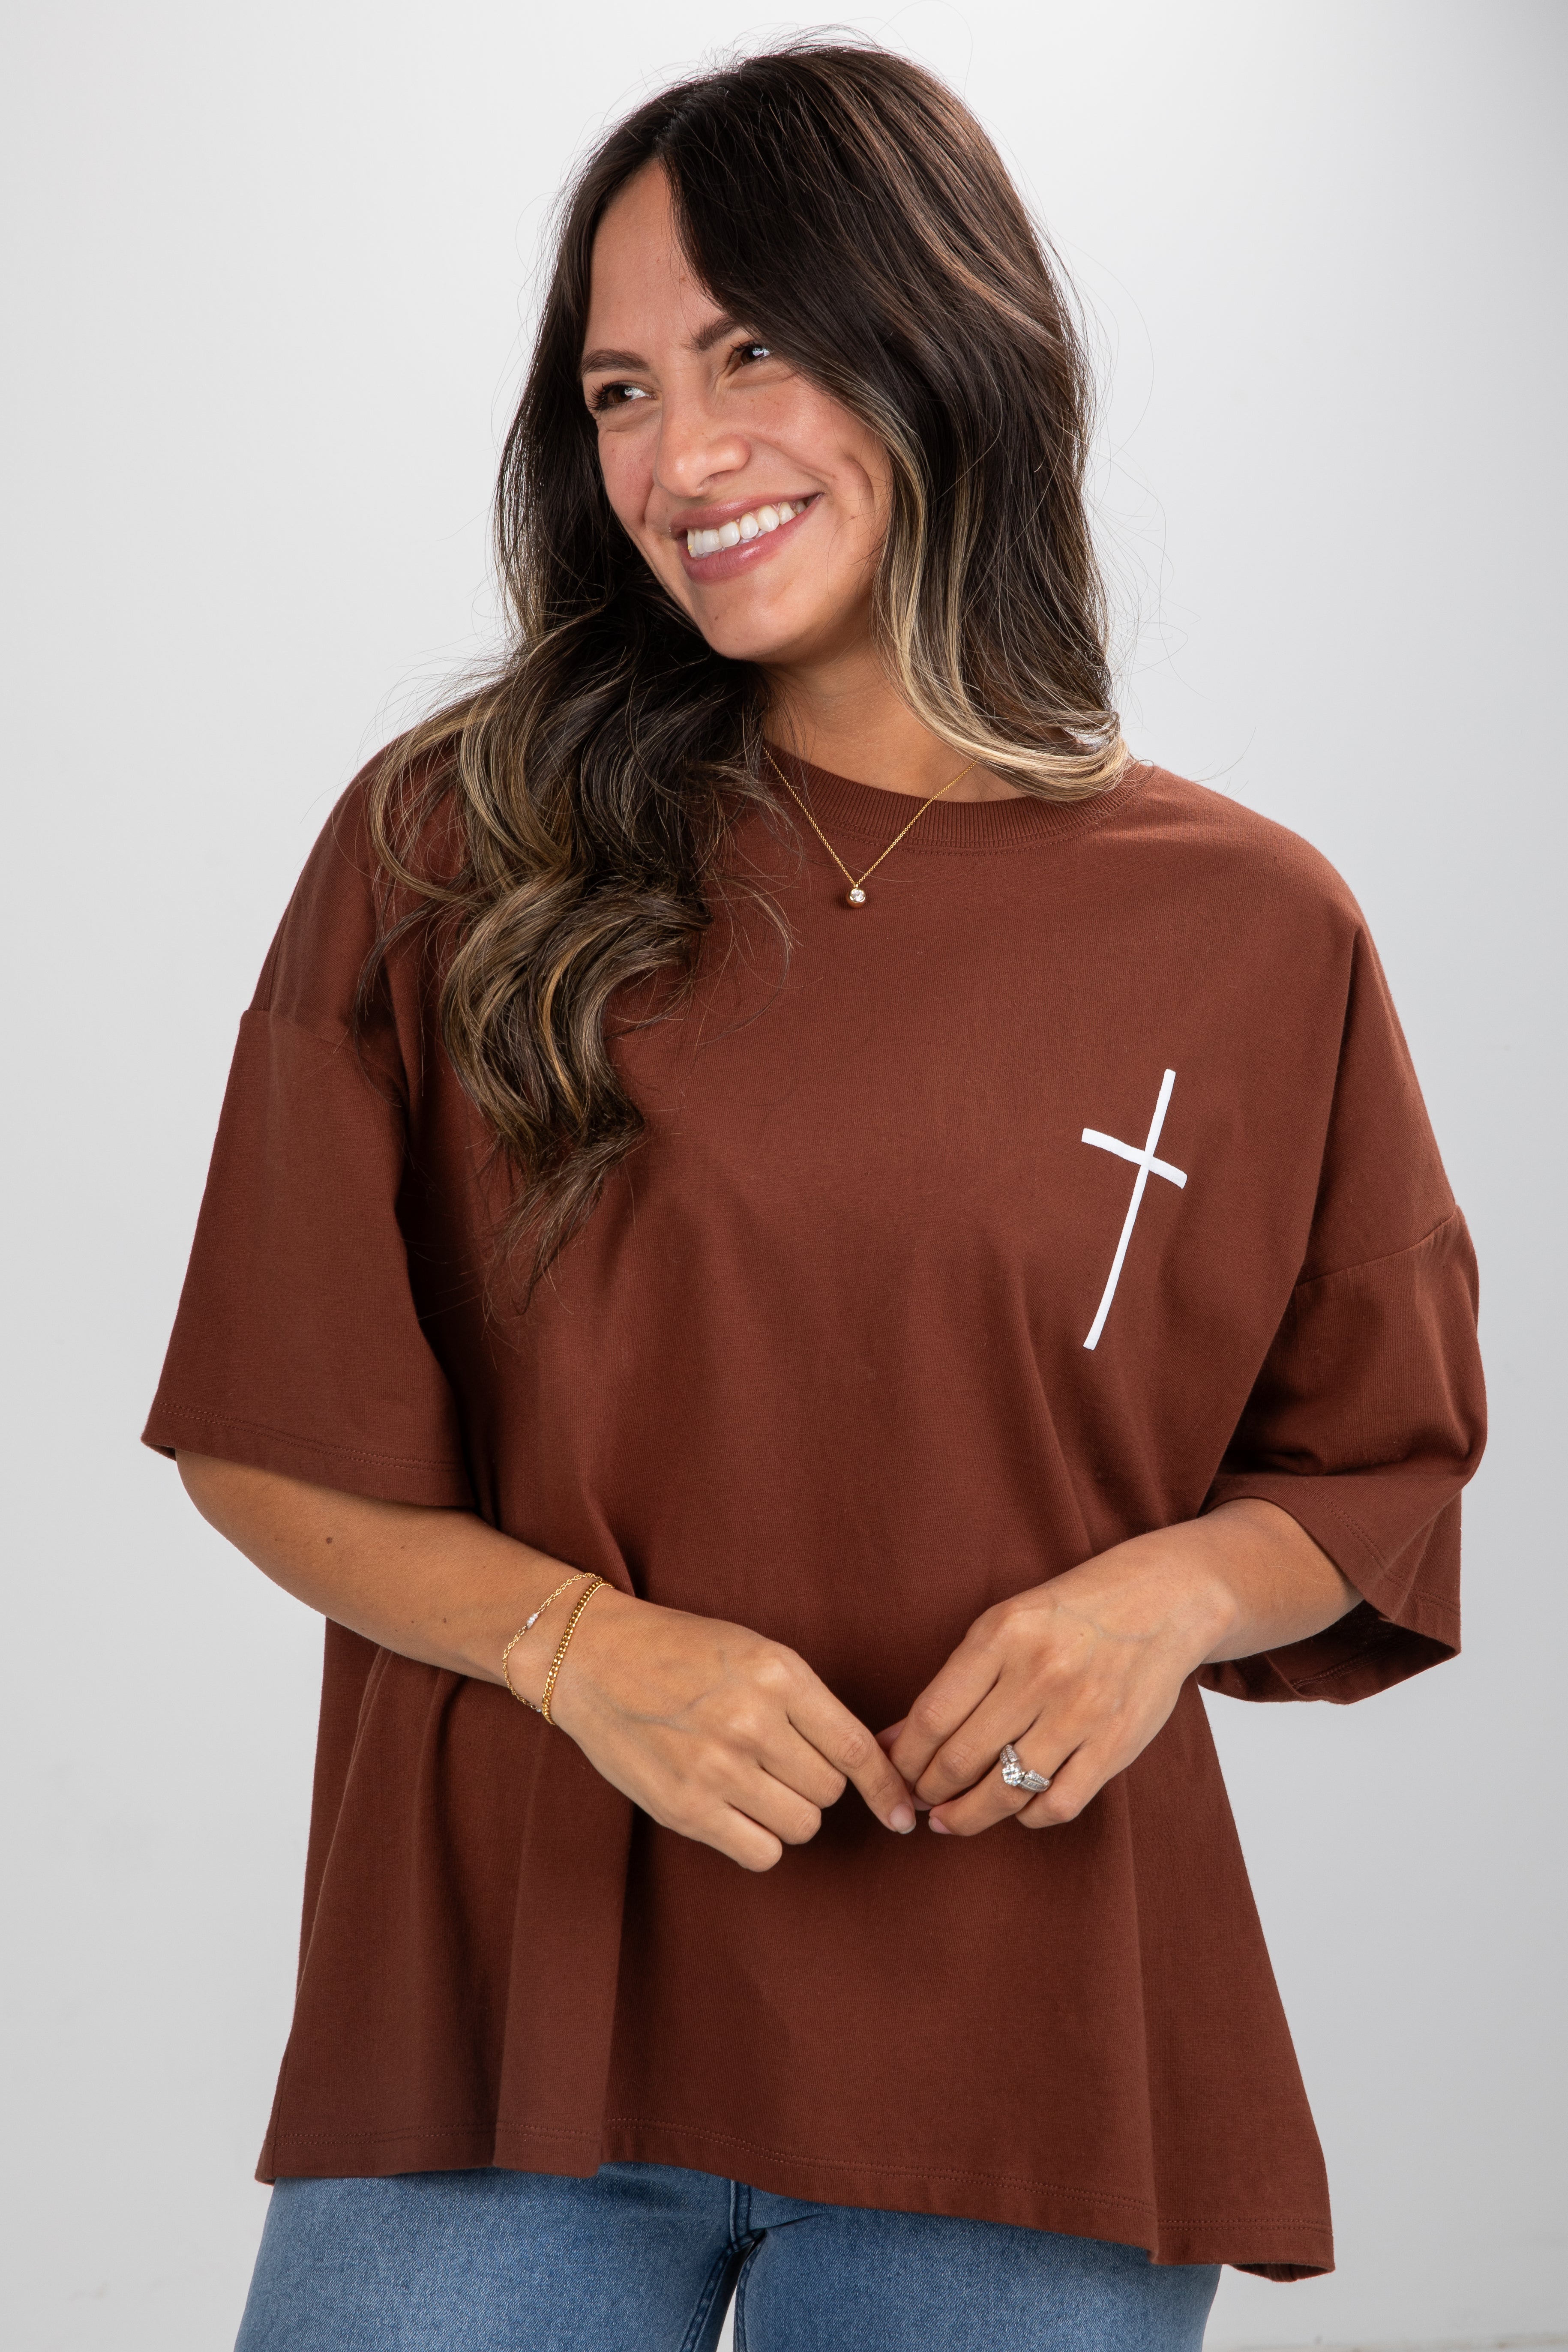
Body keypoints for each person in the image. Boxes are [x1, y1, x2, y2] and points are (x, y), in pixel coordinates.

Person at [144, 42, 1486, 2352]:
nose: (680, 457)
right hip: (502, 2022)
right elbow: (267, 1417)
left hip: (1029, 2059)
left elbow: (1378, 1460)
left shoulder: (1259, 931)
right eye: (620, 391)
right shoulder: (451, 844)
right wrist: (597, 1653)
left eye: (749, 348)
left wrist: (1162, 1600)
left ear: (936, 329)